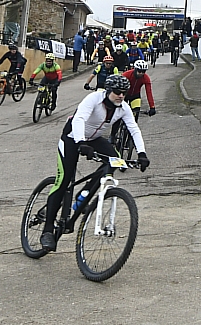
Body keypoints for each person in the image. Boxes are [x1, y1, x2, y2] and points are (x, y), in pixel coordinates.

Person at [39, 74, 148, 252]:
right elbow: (79, 119)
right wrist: (81, 142)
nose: (121, 95)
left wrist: (142, 153)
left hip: (94, 139)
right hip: (72, 138)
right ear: (108, 90)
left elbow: (133, 129)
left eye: (124, 92)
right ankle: (48, 230)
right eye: (117, 92)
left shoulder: (123, 107)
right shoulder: (94, 99)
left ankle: (83, 195)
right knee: (64, 180)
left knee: (115, 161)